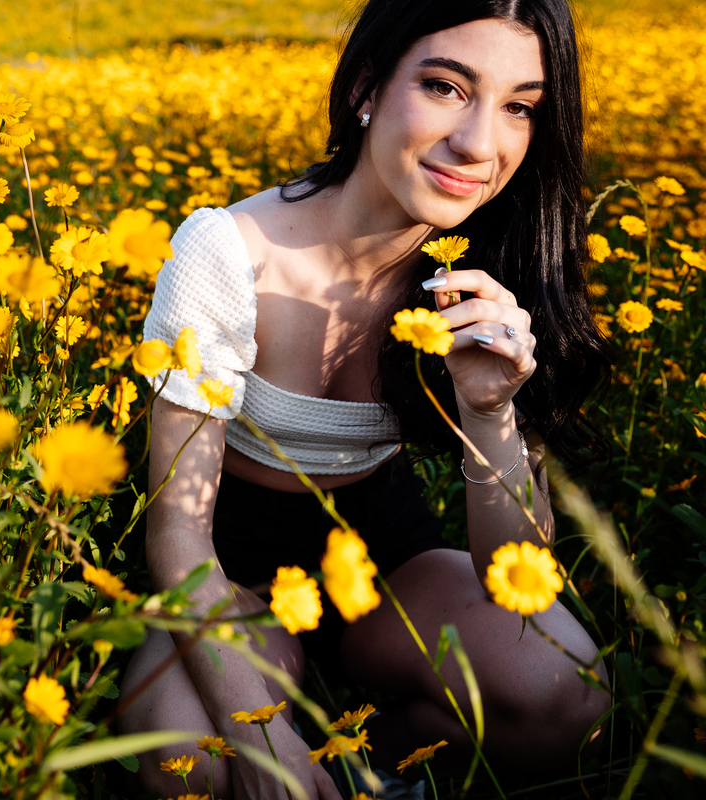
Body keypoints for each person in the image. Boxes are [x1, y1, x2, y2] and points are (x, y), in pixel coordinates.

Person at [117, 1, 614, 797]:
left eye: (519, 106)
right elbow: (178, 541)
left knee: (564, 693)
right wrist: (266, 740)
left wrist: (490, 413)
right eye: (448, 87)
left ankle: (376, 769)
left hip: (383, 553)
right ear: (365, 88)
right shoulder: (226, 253)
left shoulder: (490, 265)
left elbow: (519, 567)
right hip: (227, 561)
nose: (481, 144)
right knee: (192, 765)